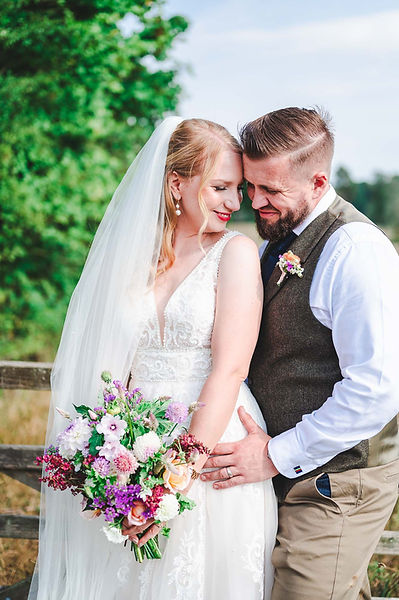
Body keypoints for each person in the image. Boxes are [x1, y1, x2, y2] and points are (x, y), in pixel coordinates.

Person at [29, 117, 277, 600]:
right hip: (131, 447)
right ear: (175, 184)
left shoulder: (236, 253)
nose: (234, 202)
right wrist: (105, 455)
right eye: (221, 187)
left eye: (238, 190)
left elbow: (229, 369)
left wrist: (174, 478)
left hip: (208, 445)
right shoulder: (130, 258)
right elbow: (108, 360)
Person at [201, 107, 399, 600]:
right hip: (287, 476)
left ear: (317, 181)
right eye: (250, 186)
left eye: (271, 190)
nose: (255, 202)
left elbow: (377, 389)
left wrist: (273, 454)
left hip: (337, 482)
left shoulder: (354, 252)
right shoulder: (280, 237)